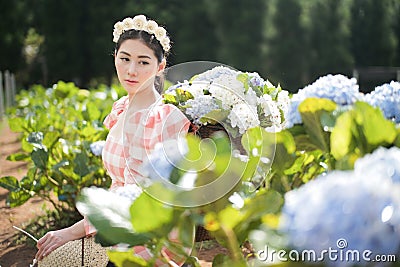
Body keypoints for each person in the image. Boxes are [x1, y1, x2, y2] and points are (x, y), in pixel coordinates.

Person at [35, 14, 191, 266]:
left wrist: (72, 230)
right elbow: (119, 186)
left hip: (151, 233)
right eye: (125, 59)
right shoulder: (121, 108)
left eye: (143, 62)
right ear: (115, 58)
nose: (131, 70)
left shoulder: (165, 118)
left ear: (160, 67)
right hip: (116, 220)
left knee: (56, 260)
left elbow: (142, 196)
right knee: (49, 256)